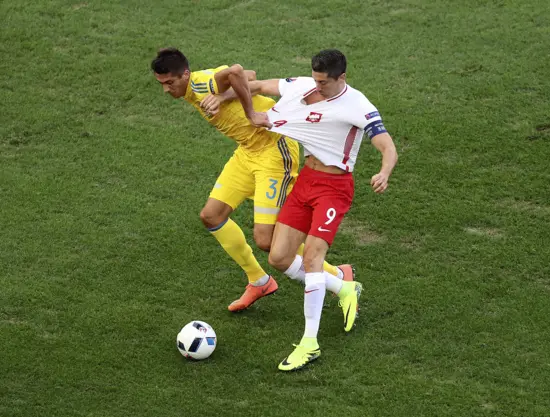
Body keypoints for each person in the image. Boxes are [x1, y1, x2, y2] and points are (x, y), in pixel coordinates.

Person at [221, 49, 398, 371]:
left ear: (341, 78)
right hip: (306, 182)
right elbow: (258, 86)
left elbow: (386, 144)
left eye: (324, 83)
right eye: (314, 80)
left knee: (314, 259)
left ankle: (309, 343)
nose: (317, 87)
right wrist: (223, 99)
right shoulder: (303, 86)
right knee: (278, 257)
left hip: (334, 189)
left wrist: (384, 171)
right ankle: (344, 288)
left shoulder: (358, 105)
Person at [150, 48, 354, 312]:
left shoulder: (202, 83)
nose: (166, 89)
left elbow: (236, 72)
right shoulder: (196, 86)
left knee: (268, 240)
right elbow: (250, 75)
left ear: (185, 75)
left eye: (170, 82)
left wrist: (248, 112)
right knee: (212, 216)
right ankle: (259, 281)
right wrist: (224, 96)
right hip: (248, 151)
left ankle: (338, 276)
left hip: (273, 149)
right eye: (162, 84)